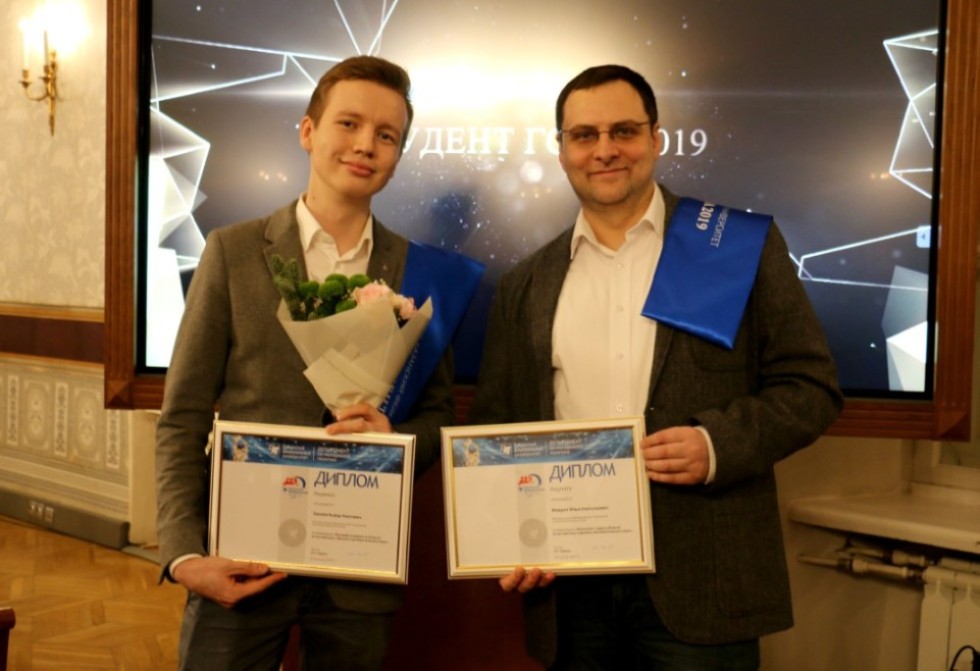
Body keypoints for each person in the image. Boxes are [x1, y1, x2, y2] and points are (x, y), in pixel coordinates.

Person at [469, 64, 843, 670]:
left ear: (656, 138)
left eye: (624, 131)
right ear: (561, 150)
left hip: (704, 581)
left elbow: (812, 387)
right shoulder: (525, 285)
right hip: (571, 592)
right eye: (584, 135)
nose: (605, 150)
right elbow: (498, 427)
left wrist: (715, 444)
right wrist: (510, 535)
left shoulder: (732, 246)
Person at [155, 55, 455, 670]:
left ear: (398, 155)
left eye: (387, 135)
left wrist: (395, 435)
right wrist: (185, 555)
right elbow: (182, 416)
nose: (365, 145)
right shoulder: (232, 252)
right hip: (237, 559)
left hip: (359, 567)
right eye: (349, 123)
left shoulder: (419, 272)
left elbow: (438, 418)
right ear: (308, 131)